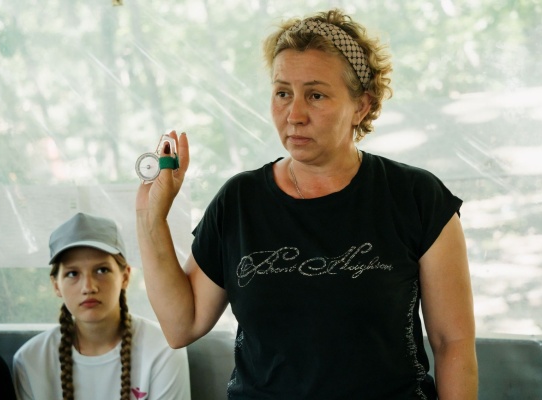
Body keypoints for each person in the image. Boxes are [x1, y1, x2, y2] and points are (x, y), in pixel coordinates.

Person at [136, 8, 478, 400]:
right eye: (283, 93)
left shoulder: (416, 197)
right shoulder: (240, 201)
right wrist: (150, 217)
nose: (294, 115)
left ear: (362, 106)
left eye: (315, 95)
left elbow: (452, 343)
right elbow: (182, 325)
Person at [13, 212, 191, 400]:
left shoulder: (162, 349)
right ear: (56, 285)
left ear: (125, 276)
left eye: (102, 270)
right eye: (72, 274)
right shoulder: (30, 360)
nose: (88, 287)